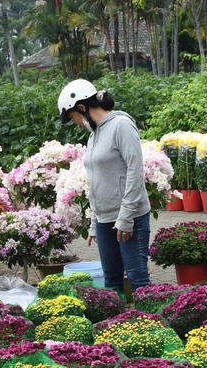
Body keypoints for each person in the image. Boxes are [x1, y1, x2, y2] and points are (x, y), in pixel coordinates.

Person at [57, 79, 151, 295]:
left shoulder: (122, 126)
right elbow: (95, 180)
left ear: (82, 108)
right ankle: (116, 326)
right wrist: (94, 221)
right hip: (104, 220)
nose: (77, 123)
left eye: (73, 118)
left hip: (130, 218)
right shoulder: (93, 135)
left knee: (138, 280)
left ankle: (151, 324)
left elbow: (135, 171)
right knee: (111, 282)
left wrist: (126, 217)